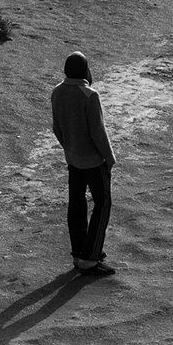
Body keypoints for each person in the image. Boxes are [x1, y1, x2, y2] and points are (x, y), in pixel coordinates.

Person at [50, 51, 117, 276]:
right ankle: (90, 258)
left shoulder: (57, 92)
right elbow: (98, 132)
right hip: (94, 162)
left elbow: (56, 128)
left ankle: (79, 253)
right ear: (85, 69)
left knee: (76, 205)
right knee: (103, 204)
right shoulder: (89, 95)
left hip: (73, 159)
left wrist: (69, 148)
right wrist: (109, 158)